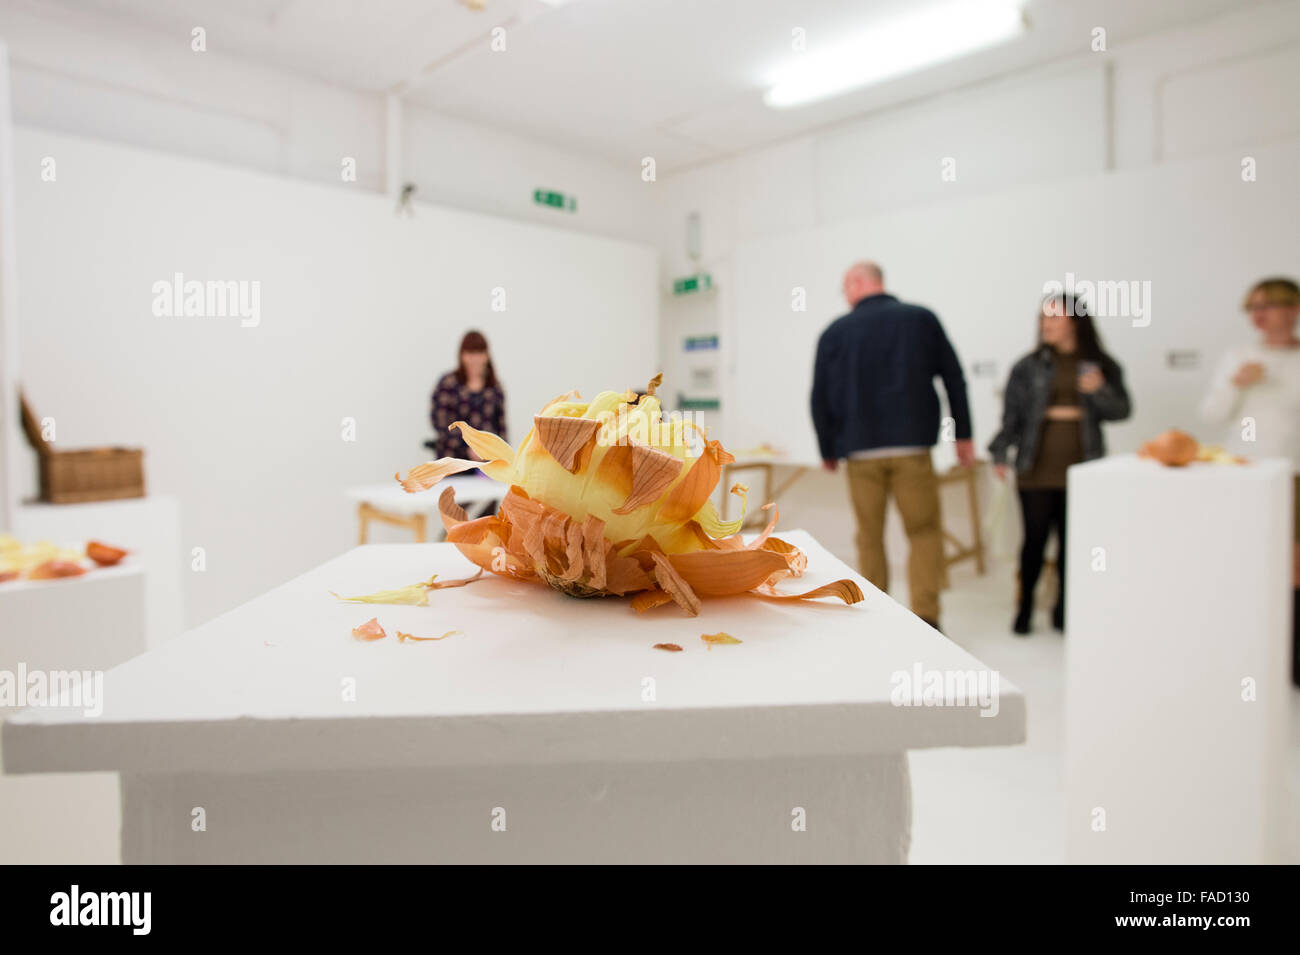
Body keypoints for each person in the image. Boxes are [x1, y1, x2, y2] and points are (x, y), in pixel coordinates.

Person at [811, 261, 974, 631]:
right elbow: (954, 378)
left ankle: (877, 618)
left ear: (857, 284)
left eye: (845, 287)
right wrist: (962, 433)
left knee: (869, 535)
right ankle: (927, 617)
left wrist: (827, 447)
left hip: (859, 451)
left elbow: (819, 395)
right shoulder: (921, 319)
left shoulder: (836, 332)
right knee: (924, 532)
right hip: (912, 448)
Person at [988, 293, 1131, 635]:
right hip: (1035, 467)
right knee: (1034, 541)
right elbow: (1012, 417)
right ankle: (1024, 609)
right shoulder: (1028, 366)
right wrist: (999, 452)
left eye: (1055, 317)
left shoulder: (1100, 365)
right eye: (1043, 318)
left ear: (1075, 321)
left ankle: (1064, 610)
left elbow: (1121, 411)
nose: (1046, 324)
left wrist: (1099, 391)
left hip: (1083, 468)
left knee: (1073, 544)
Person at [1199, 277, 1300, 685]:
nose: (1258, 315)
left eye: (1268, 306)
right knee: (1245, 561)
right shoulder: (1237, 357)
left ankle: (1290, 660)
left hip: (1292, 473)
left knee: (1293, 567)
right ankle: (1242, 655)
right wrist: (1236, 383)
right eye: (1253, 307)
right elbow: (1211, 415)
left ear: (1292, 310)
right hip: (1245, 473)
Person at [432, 331, 506, 468]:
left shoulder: (494, 388)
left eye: (479, 353)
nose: (475, 359)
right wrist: (468, 448)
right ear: (462, 355)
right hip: (453, 462)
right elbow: (440, 424)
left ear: (486, 355)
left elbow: (501, 428)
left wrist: (500, 457)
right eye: (470, 353)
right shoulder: (448, 384)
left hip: (487, 465)